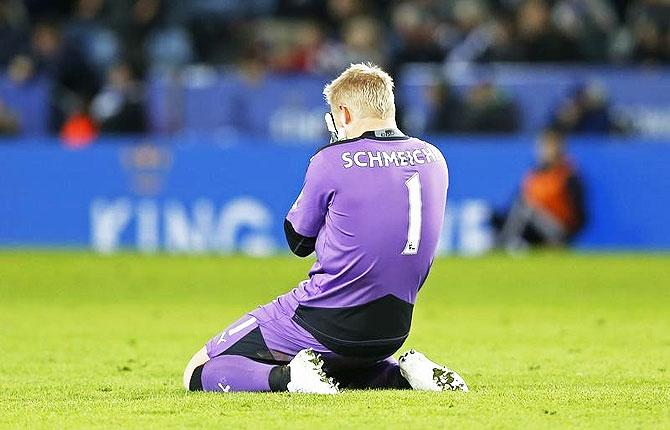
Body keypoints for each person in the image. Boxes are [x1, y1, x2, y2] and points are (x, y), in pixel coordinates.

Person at [182, 63, 469, 394]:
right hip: (392, 328)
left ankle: (290, 379)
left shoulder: (333, 159)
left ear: (344, 114)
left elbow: (298, 240)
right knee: (337, 363)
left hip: (326, 318)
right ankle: (401, 376)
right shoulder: (434, 158)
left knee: (198, 369)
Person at [498, 129, 586, 250]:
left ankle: (502, 245)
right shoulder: (534, 175)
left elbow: (580, 215)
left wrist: (567, 237)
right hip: (534, 226)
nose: (545, 151)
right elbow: (516, 203)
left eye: (550, 147)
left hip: (558, 230)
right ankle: (507, 243)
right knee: (518, 208)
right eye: (542, 147)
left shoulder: (568, 176)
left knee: (525, 208)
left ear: (560, 149)